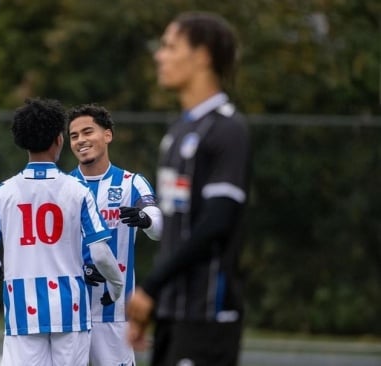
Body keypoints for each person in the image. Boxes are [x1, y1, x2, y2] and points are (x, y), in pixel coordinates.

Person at [126, 12, 250, 366]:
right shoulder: (177, 134)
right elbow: (176, 230)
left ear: (202, 56)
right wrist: (155, 301)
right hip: (170, 312)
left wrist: (150, 286)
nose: (159, 56)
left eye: (169, 46)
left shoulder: (228, 131)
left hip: (207, 314)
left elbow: (216, 224)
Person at [0, 98, 125, 366]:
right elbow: (100, 253)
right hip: (71, 310)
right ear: (59, 139)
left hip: (22, 310)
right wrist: (117, 284)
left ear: (22, 142)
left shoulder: (3, 193)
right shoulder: (78, 191)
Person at [67, 104, 163, 366]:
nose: (81, 140)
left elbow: (159, 227)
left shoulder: (132, 182)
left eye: (88, 132)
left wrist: (144, 218)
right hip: (70, 315)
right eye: (74, 136)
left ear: (107, 135)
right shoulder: (62, 186)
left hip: (114, 315)